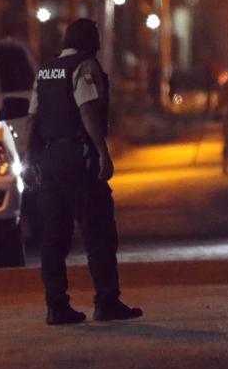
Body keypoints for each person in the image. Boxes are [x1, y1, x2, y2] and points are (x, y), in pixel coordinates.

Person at [27, 18, 142, 326]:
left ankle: (56, 306)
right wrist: (103, 152)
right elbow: (87, 110)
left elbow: (32, 119)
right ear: (90, 42)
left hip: (50, 161)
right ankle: (106, 302)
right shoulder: (85, 66)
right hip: (79, 160)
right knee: (99, 234)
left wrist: (31, 160)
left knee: (53, 238)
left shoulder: (45, 70)